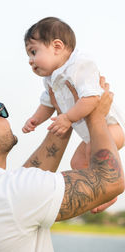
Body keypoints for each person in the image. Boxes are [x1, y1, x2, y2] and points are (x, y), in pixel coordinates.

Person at [0, 85, 124, 252]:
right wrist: (96, 117)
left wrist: (67, 115)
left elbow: (20, 186)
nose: (4, 113)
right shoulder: (12, 195)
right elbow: (110, 180)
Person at [22, 16, 125, 212]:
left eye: (34, 52)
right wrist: (35, 120)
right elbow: (48, 103)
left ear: (57, 46)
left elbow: (92, 98)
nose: (30, 61)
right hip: (90, 134)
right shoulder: (51, 78)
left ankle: (111, 188)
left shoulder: (80, 66)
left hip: (112, 127)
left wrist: (68, 118)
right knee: (77, 162)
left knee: (91, 153)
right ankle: (97, 193)